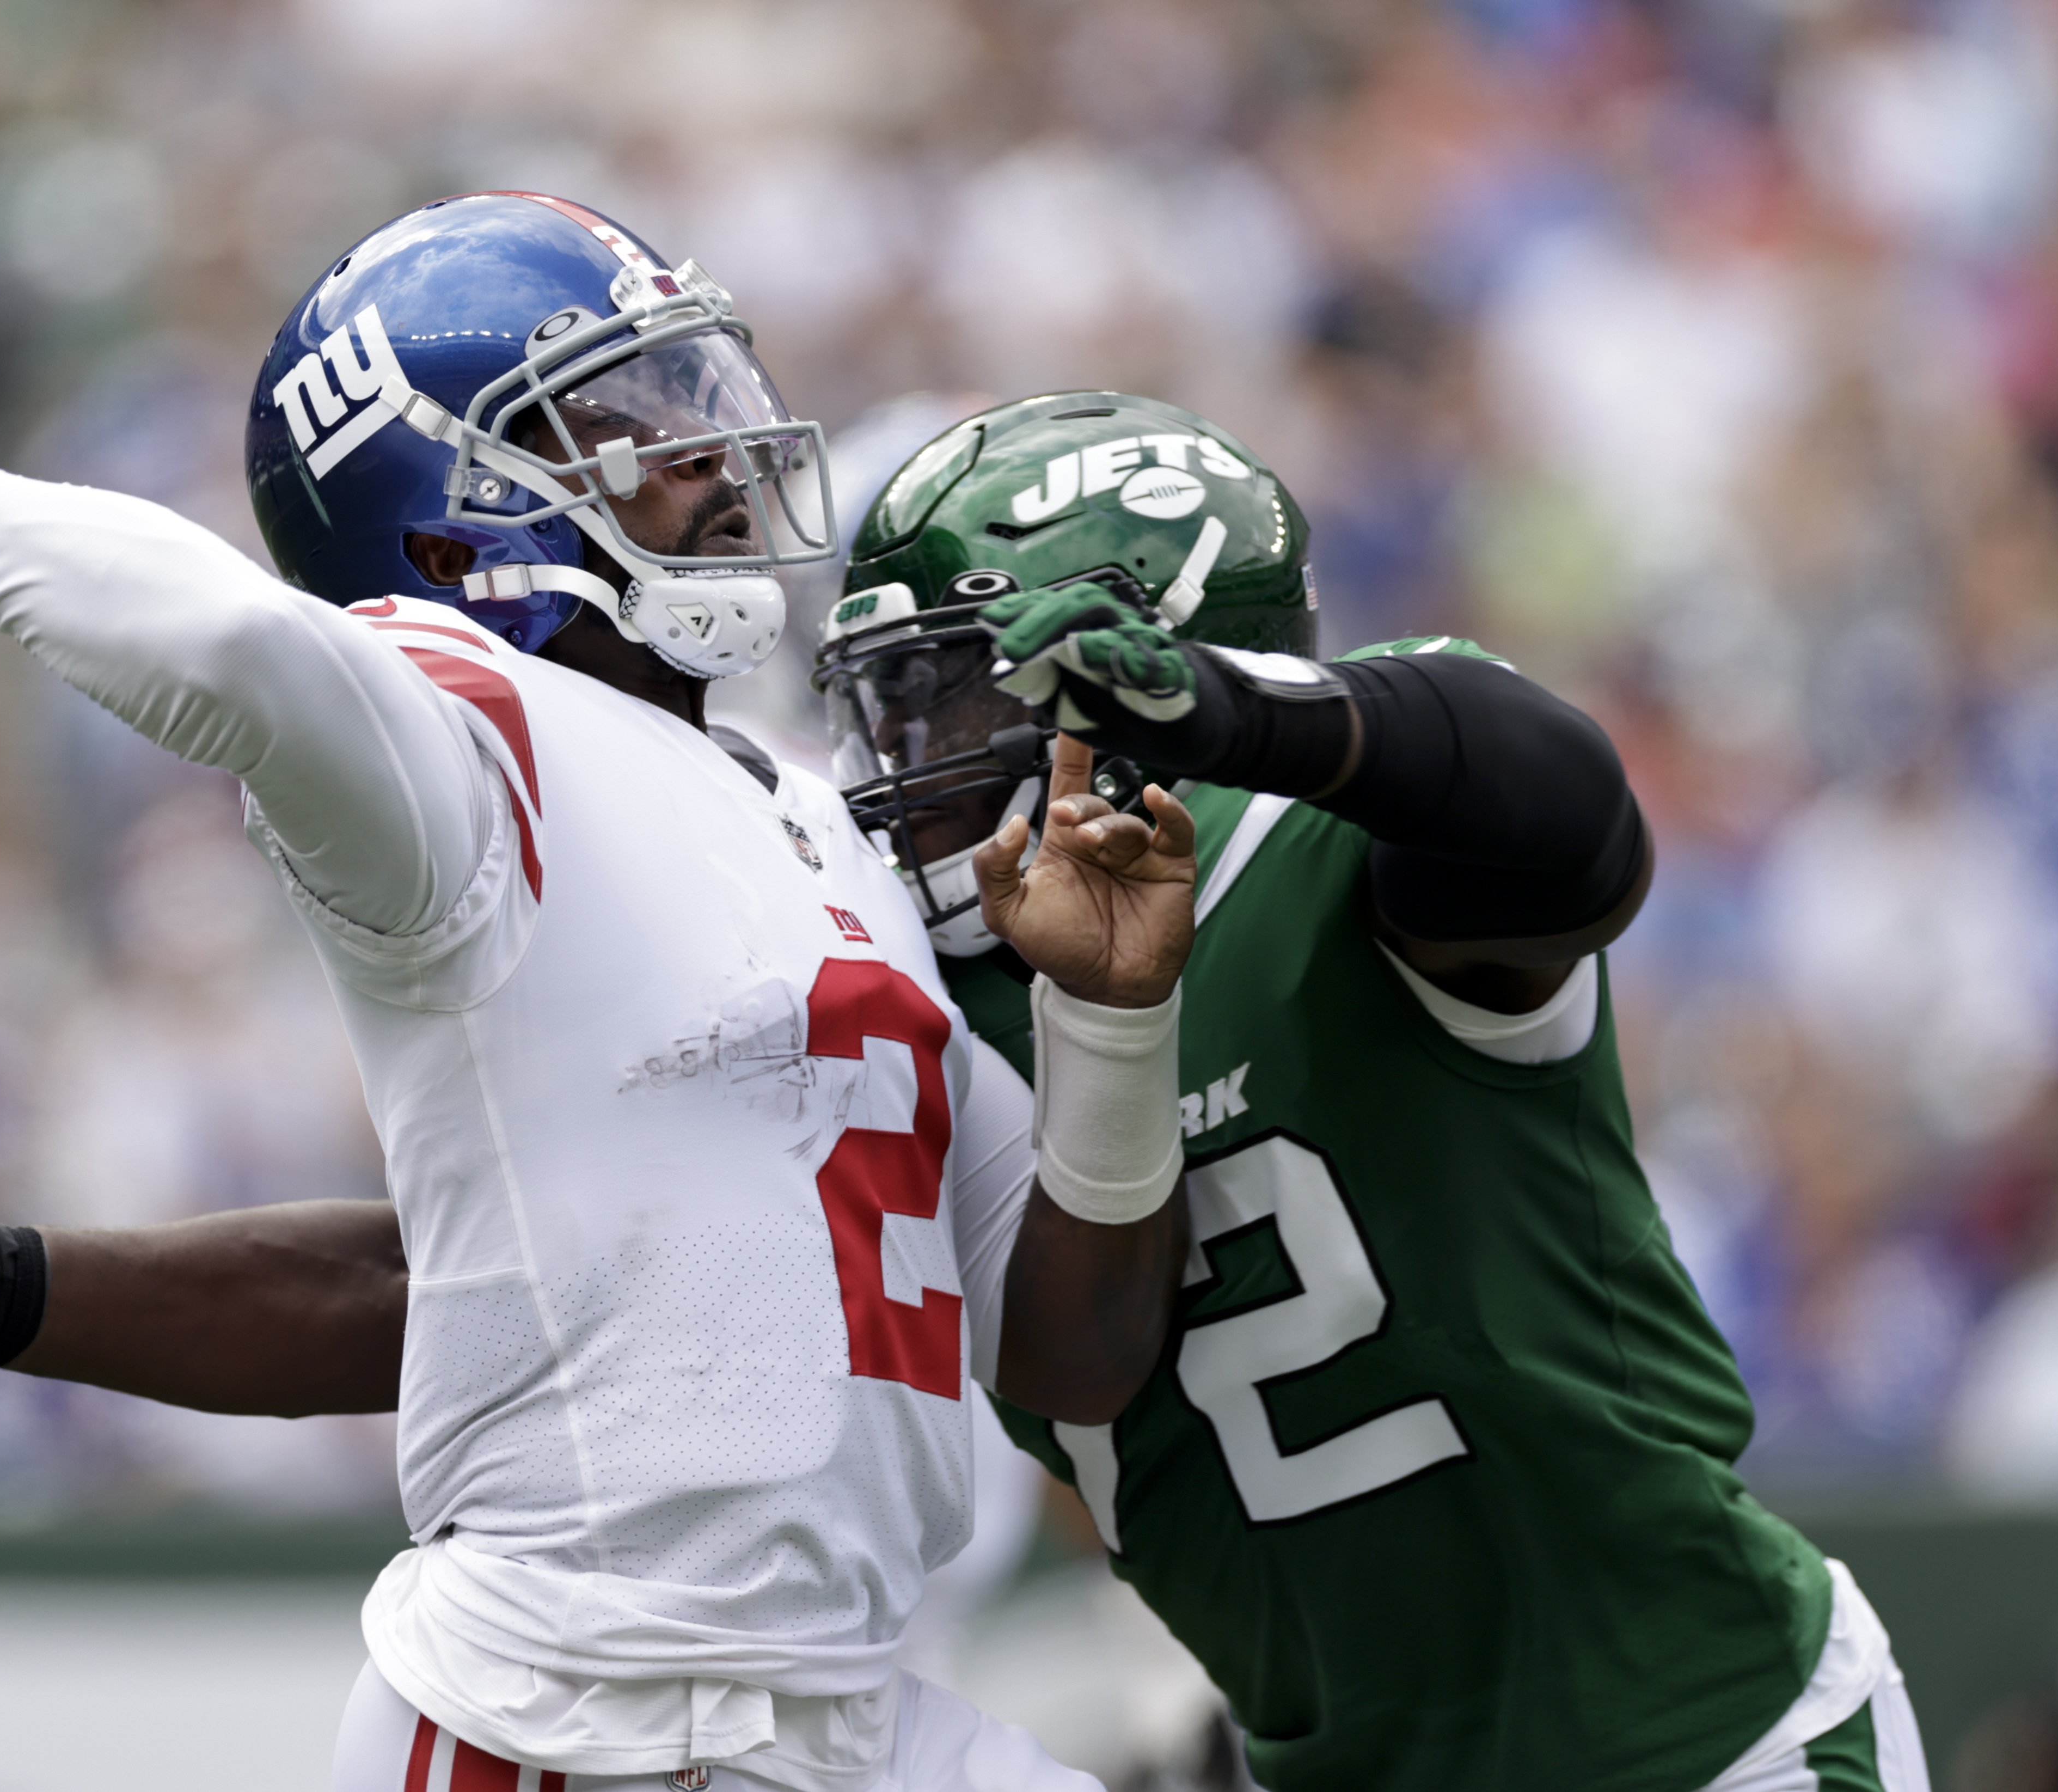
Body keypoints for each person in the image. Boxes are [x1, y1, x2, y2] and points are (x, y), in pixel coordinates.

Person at [0, 196, 1202, 1792]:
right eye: (630, 417)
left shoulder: (810, 817)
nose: (714, 455)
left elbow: (1067, 1339)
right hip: (577, 1715)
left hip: (862, 1715)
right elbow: (231, 641)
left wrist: (1115, 1022)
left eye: (699, 395)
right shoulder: (469, 743)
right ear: (454, 524)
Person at [808, 391, 1931, 1792]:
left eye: (959, 698)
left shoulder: (1332, 847)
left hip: (1696, 1740)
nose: (904, 776)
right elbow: (1074, 1374)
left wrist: (1233, 720)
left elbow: (1571, 815)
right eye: (889, 712)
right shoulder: (932, 998)